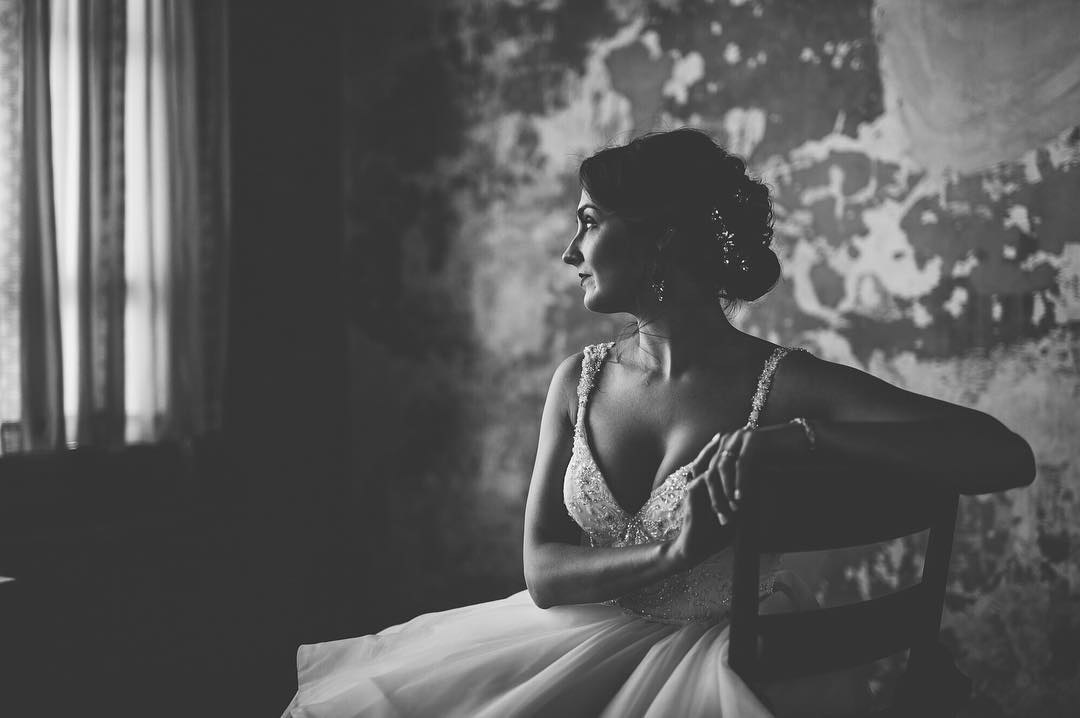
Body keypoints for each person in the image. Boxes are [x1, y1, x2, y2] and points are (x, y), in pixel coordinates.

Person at [280, 128, 1036, 717]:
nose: (569, 250)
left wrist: (805, 439)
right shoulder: (578, 382)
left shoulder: (781, 384)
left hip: (730, 661)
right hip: (576, 644)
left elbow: (1003, 455)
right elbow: (543, 574)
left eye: (589, 222)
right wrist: (672, 549)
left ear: (659, 239)